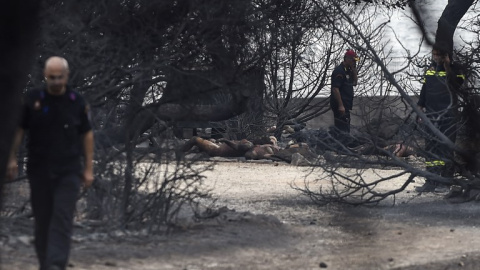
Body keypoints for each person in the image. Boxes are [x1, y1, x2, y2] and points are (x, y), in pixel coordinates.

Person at [6, 56, 94, 270]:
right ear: (45, 76)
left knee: (62, 219)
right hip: (40, 169)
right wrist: (11, 157)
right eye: (51, 77)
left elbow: (87, 135)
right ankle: (46, 263)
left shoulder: (77, 101)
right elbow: (19, 129)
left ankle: (55, 265)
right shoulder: (34, 100)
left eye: (59, 77)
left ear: (67, 76)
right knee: (43, 221)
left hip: (69, 170)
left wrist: (89, 169)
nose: (55, 81)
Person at [415, 45, 464, 193]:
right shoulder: (430, 69)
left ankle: (445, 181)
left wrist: (447, 65)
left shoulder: (456, 69)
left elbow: (457, 84)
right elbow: (425, 89)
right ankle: (431, 180)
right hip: (431, 115)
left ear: (446, 56)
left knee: (446, 148)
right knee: (431, 148)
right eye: (434, 55)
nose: (435, 58)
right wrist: (420, 109)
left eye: (439, 55)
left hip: (448, 116)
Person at [330, 49, 359, 145]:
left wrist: (354, 71)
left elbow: (354, 83)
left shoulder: (348, 71)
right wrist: (340, 105)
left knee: (346, 127)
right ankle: (340, 147)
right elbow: (335, 89)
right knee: (341, 129)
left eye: (355, 61)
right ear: (347, 59)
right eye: (353, 60)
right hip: (340, 104)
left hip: (346, 104)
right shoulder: (339, 71)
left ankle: (343, 146)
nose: (354, 62)